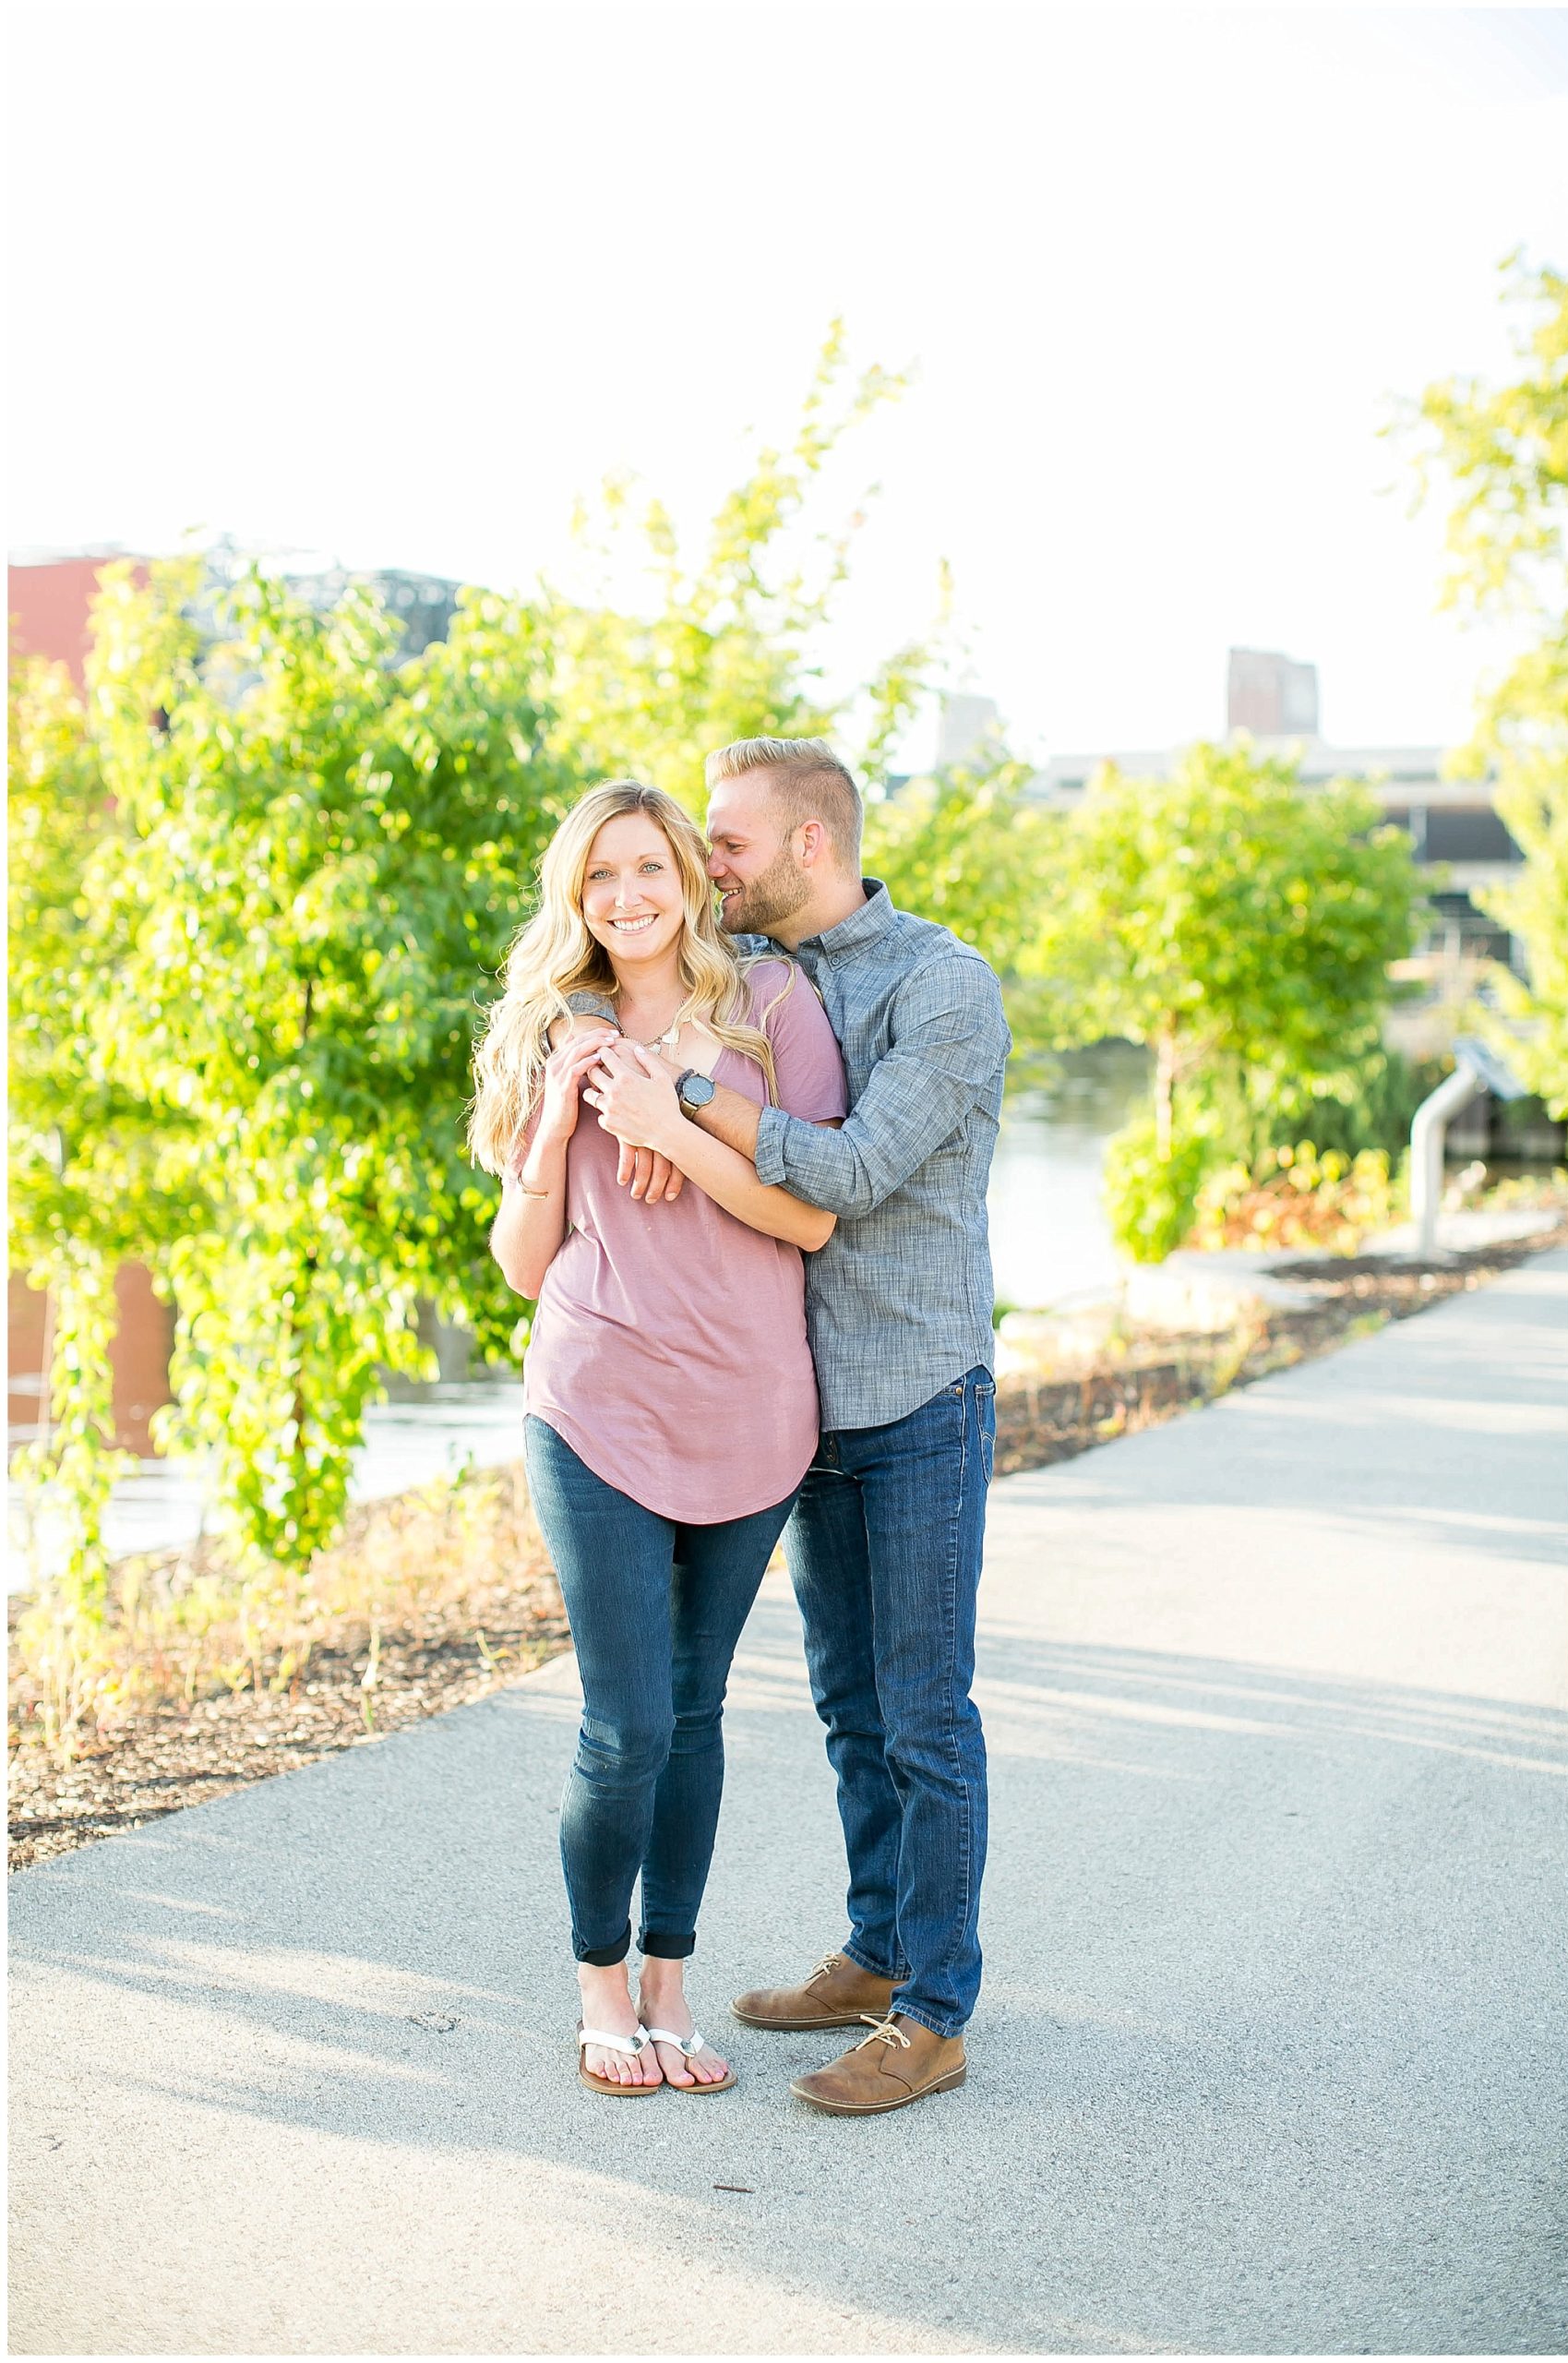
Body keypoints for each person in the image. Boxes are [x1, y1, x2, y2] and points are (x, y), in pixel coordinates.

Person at [589, 735, 1011, 2117]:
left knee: (925, 1717)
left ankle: (936, 2012)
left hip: (918, 1393)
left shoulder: (942, 986)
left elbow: (858, 1170)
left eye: (729, 843)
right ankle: (878, 1950)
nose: (713, 866)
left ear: (810, 846)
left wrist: (693, 1096)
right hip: (805, 1402)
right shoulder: (760, 978)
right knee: (848, 1708)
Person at [470, 778, 846, 2099]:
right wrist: (567, 1121)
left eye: (647, 869)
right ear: (575, 900)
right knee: (624, 1723)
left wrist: (668, 1128)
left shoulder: (774, 1012)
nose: (625, 898)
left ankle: (674, 1989)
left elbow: (811, 1220)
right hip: (595, 1404)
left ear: (689, 875)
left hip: (750, 1409)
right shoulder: (547, 1032)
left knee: (693, 1715)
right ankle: (600, 1990)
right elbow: (524, 1265)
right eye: (598, 880)